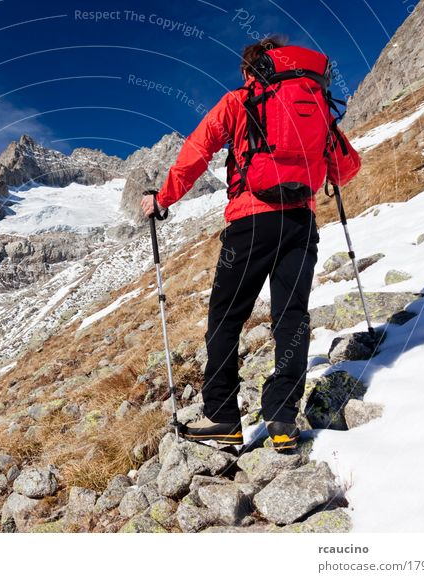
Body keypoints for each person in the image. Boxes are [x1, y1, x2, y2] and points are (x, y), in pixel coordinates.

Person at [141, 37, 361, 452]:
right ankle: (281, 419)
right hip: (300, 223)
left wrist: (161, 198)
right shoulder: (312, 103)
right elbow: (346, 168)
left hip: (251, 222)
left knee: (226, 318)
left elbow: (198, 150)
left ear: (249, 70)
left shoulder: (240, 100)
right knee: (291, 318)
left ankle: (223, 417)